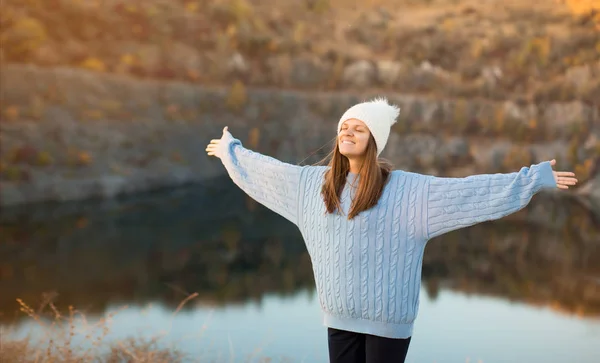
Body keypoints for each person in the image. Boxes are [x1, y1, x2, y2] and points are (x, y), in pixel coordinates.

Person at [205, 97, 578, 363]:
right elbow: (267, 172)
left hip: (388, 321)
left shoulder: (408, 190)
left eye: (358, 128)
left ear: (374, 140)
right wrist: (230, 151)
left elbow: (468, 192)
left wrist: (531, 180)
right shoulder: (312, 186)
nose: (347, 132)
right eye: (343, 127)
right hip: (338, 314)